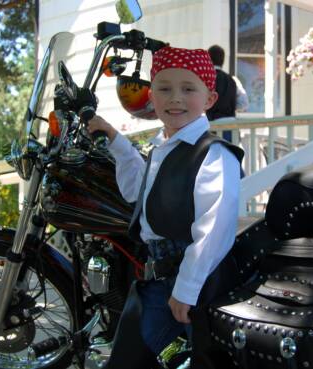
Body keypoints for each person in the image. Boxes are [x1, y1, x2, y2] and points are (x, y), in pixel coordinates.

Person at [88, 46, 244, 369]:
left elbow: (215, 227)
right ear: (151, 97)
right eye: (164, 88)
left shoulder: (213, 154)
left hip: (189, 285)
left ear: (209, 99)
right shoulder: (163, 148)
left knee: (180, 360)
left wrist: (187, 288)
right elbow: (136, 190)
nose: (175, 98)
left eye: (188, 89)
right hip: (155, 279)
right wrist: (115, 140)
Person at [206, 45, 248, 143]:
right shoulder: (233, 80)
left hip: (214, 127)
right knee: (232, 156)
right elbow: (243, 104)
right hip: (232, 126)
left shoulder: (206, 79)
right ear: (223, 61)